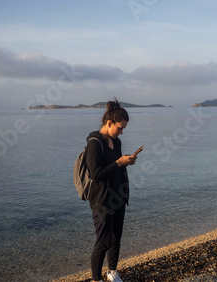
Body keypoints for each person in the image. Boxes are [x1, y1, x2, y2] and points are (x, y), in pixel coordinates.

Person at [85, 99, 136, 282]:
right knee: (103, 242)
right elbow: (96, 173)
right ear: (109, 123)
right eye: (120, 128)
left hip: (119, 197)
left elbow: (116, 168)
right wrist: (118, 163)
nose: (121, 132)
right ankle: (96, 279)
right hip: (102, 200)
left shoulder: (117, 141)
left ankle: (112, 271)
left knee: (116, 239)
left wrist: (126, 162)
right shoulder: (94, 143)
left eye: (123, 129)